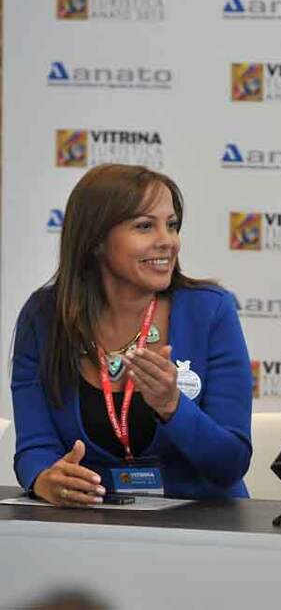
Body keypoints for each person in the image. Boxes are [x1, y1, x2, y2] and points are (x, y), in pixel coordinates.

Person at [12, 164, 252, 505]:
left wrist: (172, 407)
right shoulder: (44, 317)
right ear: (96, 239)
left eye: (171, 225)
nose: (167, 241)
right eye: (145, 226)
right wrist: (45, 479)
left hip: (201, 525)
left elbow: (231, 463)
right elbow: (35, 447)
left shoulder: (209, 311)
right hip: (89, 522)